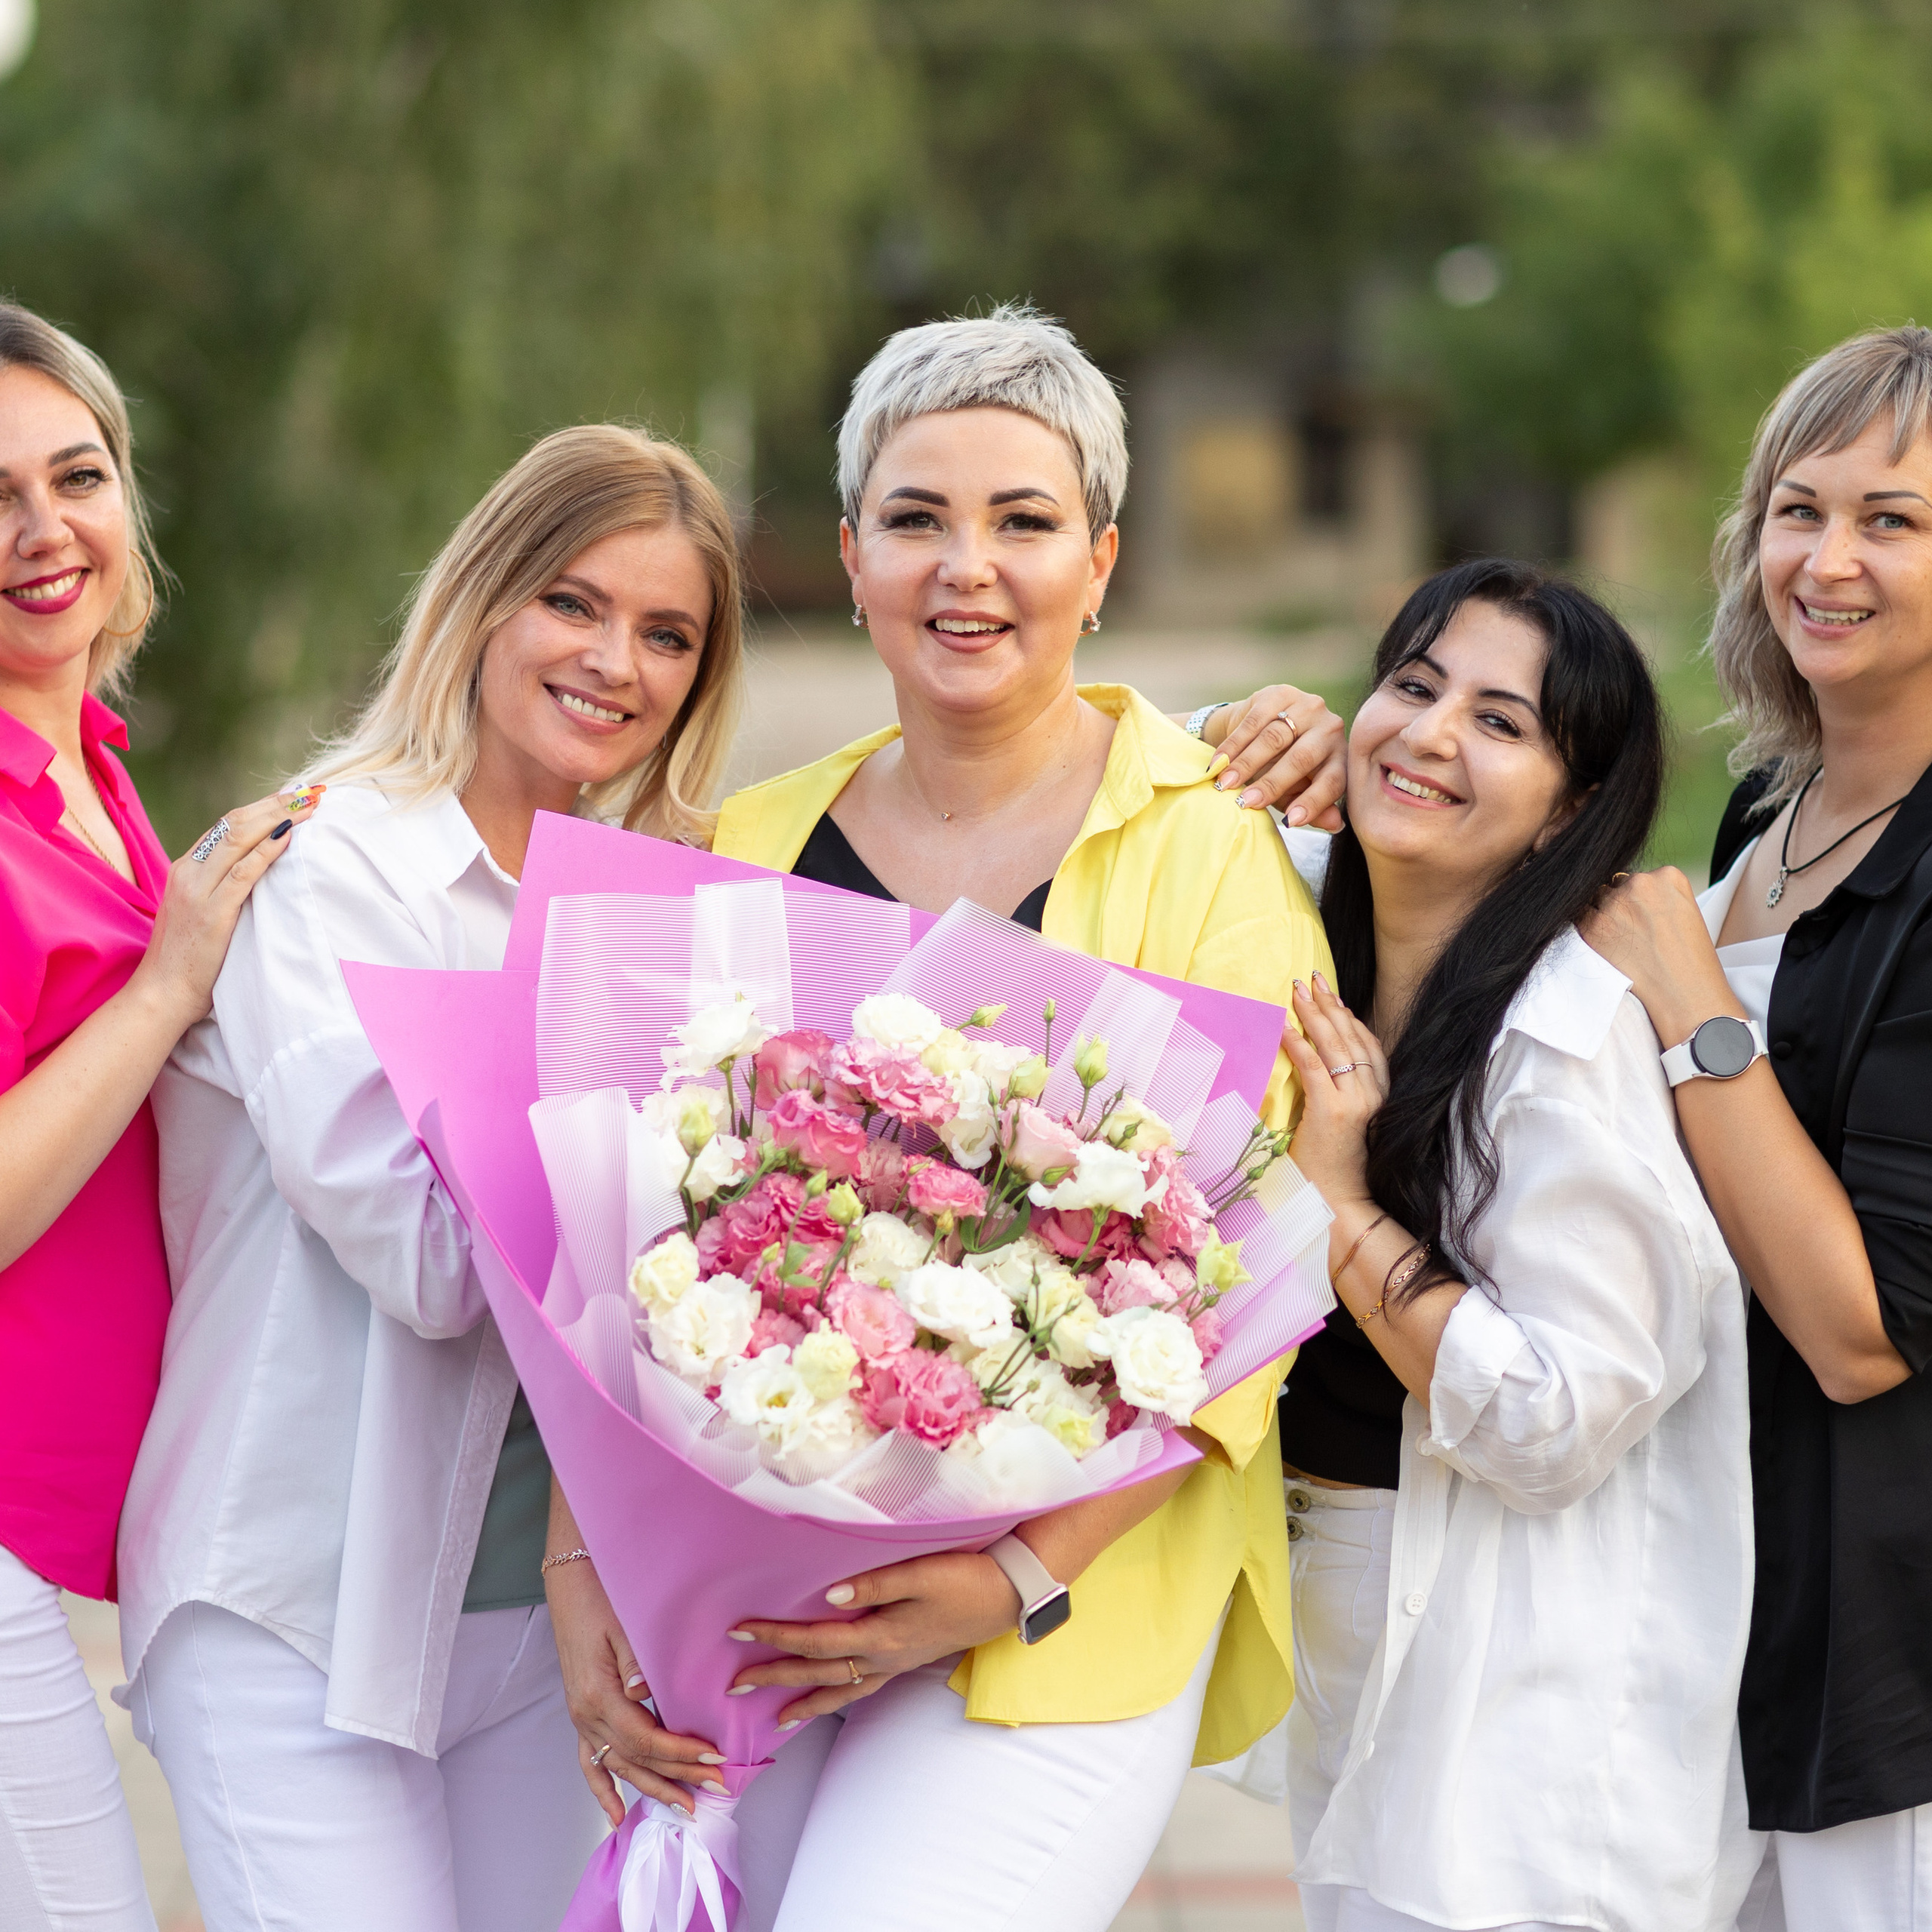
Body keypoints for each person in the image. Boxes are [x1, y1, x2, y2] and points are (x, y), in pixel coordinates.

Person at [545, 303, 1331, 1931]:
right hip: (752, 1603)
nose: (966, 566)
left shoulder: (1204, 846)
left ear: (1099, 561)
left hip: (1068, 1607)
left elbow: (1260, 1285)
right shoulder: (744, 839)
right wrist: (584, 1572)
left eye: (1022, 521)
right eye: (916, 519)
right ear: (849, 554)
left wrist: (1013, 1573)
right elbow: (615, 1239)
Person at [115, 423, 746, 1932]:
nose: (616, 660)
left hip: (535, 1625)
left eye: (667, 633)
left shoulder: (647, 911)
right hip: (294, 1602)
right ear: (484, 596)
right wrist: (680, 1182)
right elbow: (427, 1259)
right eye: (573, 602)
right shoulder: (325, 870)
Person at [1275, 558, 1756, 1932]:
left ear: (1568, 813)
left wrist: (1343, 1212)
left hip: (1527, 1696)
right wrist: (1255, 723)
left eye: (1502, 722)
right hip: (1356, 1617)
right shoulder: (1318, 927)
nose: (1426, 735)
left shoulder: (1565, 1040)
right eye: (1413, 686)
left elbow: (1557, 1421)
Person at [1583, 325, 1932, 1932]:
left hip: (1886, 1641)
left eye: (1891, 518)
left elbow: (1860, 1331)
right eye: (1797, 509)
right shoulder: (1763, 804)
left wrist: (1687, 1005)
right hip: (1720, 1581)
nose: (1825, 558)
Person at [0, 301, 315, 1932]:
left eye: (79, 474)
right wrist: (169, 978)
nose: (46, 531)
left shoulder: (94, 765)